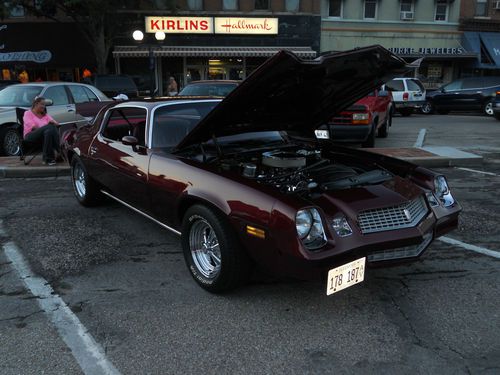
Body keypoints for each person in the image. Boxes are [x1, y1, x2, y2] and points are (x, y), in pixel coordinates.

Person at [23, 97, 60, 166]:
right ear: (36, 104)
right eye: (42, 104)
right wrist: (49, 126)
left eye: (44, 105)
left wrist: (53, 123)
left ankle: (48, 159)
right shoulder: (27, 113)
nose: (44, 106)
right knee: (50, 127)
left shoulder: (45, 115)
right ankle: (59, 151)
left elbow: (57, 124)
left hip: (45, 137)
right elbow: (33, 127)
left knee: (49, 131)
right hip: (30, 136)